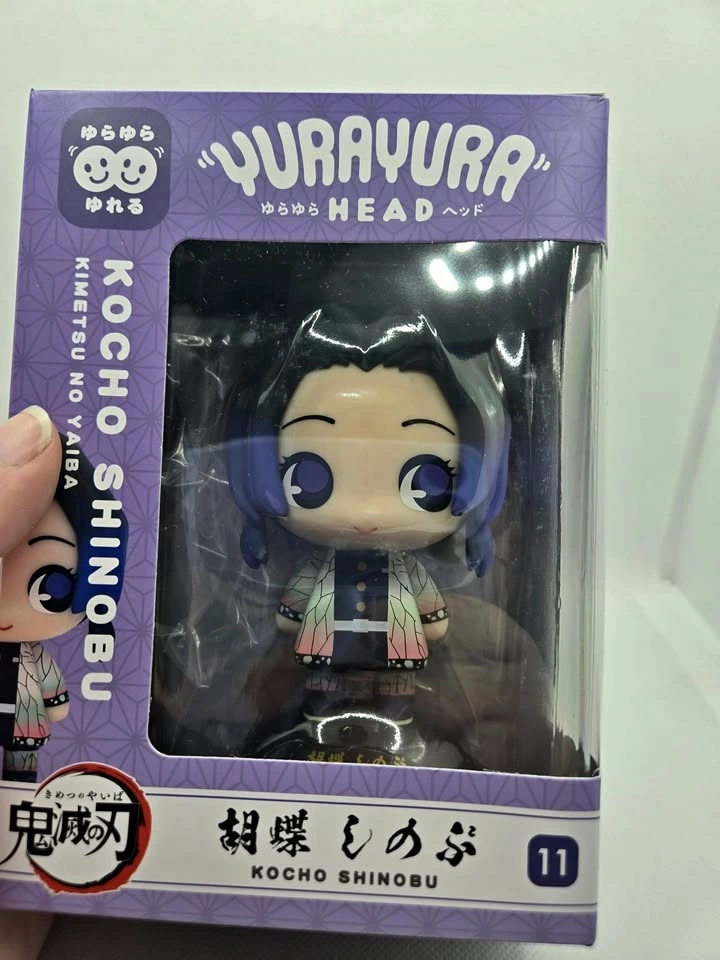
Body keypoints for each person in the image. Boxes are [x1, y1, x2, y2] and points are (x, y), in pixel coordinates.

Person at [0, 406, 62, 959]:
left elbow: (51, 687)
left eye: (51, 587)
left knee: (22, 770)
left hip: (25, 728)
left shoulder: (36, 654)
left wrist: (56, 703)